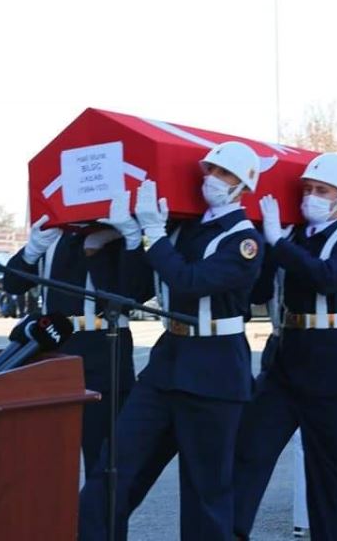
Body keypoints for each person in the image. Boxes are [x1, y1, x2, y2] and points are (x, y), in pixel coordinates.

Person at [79, 141, 265, 540]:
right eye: (209, 172)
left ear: (244, 185)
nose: (211, 180)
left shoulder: (244, 239)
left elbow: (191, 281)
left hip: (215, 371)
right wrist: (131, 238)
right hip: (168, 365)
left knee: (206, 493)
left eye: (223, 175)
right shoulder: (182, 228)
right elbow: (134, 290)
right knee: (114, 469)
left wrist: (152, 233)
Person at [233, 152, 337, 541]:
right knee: (248, 455)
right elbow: (259, 293)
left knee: (330, 476)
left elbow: (326, 277)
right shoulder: (288, 235)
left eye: (321, 190)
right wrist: (261, 243)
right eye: (307, 189)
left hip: (336, 369)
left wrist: (278, 243)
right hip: (285, 362)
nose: (311, 196)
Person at [1, 190, 149, 477]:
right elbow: (12, 284)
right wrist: (32, 249)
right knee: (51, 456)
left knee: (104, 461)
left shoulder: (116, 235)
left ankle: (102, 523)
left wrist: (109, 243)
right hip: (57, 347)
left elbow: (135, 292)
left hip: (104, 349)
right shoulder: (53, 235)